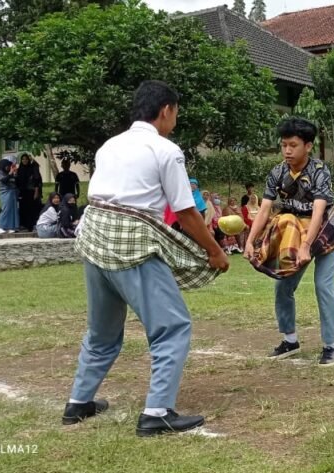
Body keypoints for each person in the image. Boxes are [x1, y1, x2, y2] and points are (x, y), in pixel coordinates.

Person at [66, 80, 229, 437]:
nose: (175, 121)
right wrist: (214, 250)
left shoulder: (110, 145)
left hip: (93, 239)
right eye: (176, 114)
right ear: (166, 110)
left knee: (102, 332)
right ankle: (157, 412)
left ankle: (79, 402)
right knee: (172, 327)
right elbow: (186, 212)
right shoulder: (165, 150)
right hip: (132, 244)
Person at [243, 117, 334, 367]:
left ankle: (330, 346)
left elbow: (319, 210)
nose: (287, 150)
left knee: (323, 286)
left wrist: (307, 246)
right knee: (283, 286)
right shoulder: (277, 173)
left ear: (308, 146)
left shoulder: (319, 171)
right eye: (283, 145)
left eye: (293, 145)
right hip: (293, 233)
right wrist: (250, 240)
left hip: (323, 233)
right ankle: (290, 340)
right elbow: (265, 209)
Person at [17, 154, 43, 231]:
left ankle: (31, 225)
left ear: (29, 160)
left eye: (26, 159)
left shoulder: (32, 169)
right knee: (23, 209)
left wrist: (36, 192)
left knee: (32, 209)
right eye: (23, 159)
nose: (24, 160)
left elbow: (37, 181)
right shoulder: (19, 170)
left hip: (31, 192)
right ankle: (23, 225)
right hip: (22, 192)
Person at [0, 156, 20, 234]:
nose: (8, 167)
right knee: (6, 209)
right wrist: (10, 173)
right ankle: (0, 227)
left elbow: (15, 181)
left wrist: (15, 174)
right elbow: (4, 180)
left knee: (13, 210)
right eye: (7, 166)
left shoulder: (10, 172)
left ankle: (11, 226)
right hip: (5, 192)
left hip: (12, 192)